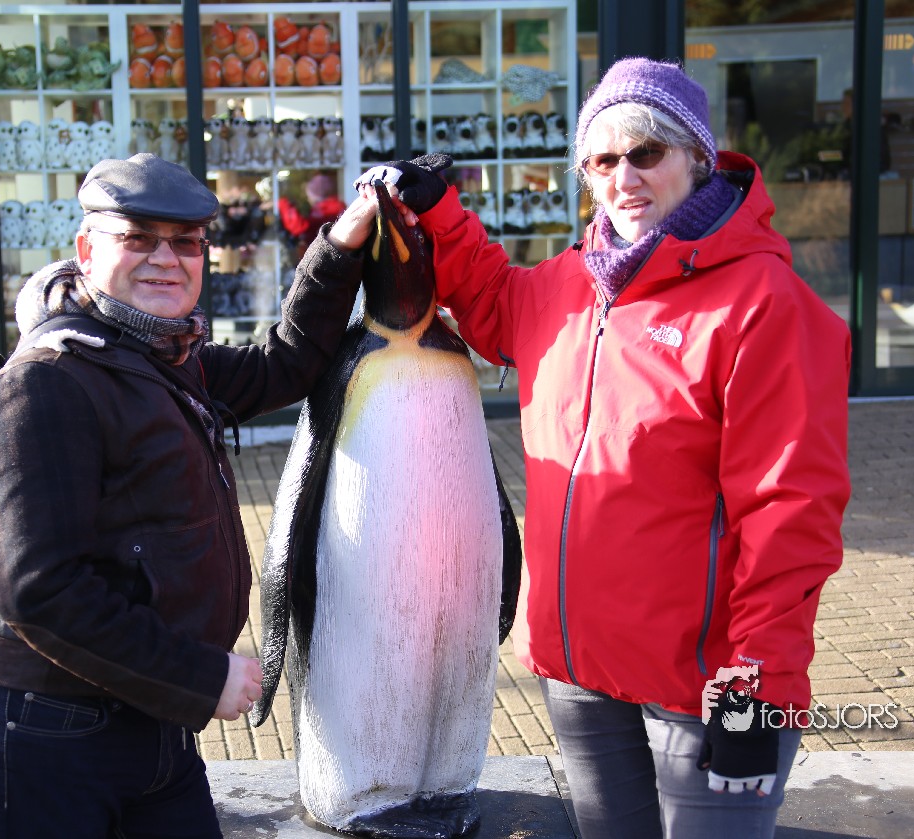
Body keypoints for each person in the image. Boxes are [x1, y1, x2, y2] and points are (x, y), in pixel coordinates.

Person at [359, 57, 851, 838]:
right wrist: (440, 212)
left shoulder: (764, 304)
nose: (625, 178)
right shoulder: (568, 284)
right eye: (602, 160)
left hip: (705, 688)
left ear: (697, 157)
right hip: (580, 673)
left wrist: (761, 684)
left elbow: (790, 513)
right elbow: (490, 298)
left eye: (647, 152)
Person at [0, 152, 386, 838]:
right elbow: (39, 590)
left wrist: (343, 243)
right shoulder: (44, 384)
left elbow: (286, 364)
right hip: (40, 725)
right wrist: (200, 677)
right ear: (87, 250)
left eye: (185, 242)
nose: (165, 259)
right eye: (138, 238)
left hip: (148, 715)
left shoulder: (166, 358)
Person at [278, 171, 348, 258]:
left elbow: (300, 228)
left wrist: (282, 203)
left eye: (309, 195)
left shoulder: (324, 210)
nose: (308, 199)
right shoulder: (337, 205)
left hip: (327, 255)